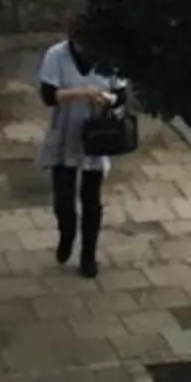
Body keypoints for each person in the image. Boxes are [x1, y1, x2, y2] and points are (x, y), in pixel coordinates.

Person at [37, 26, 121, 277]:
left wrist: (106, 99)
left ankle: (88, 255)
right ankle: (67, 232)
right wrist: (81, 94)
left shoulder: (110, 56)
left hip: (95, 136)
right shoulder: (56, 55)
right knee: (63, 197)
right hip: (64, 132)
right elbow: (49, 95)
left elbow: (121, 94)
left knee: (91, 200)